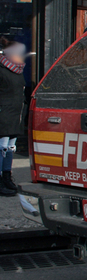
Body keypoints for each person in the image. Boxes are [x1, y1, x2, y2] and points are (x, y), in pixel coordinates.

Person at [0, 37, 26, 196]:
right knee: (2, 147)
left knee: (10, 148)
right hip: (3, 112)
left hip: (15, 113)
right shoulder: (2, 69)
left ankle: (7, 176)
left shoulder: (18, 69)